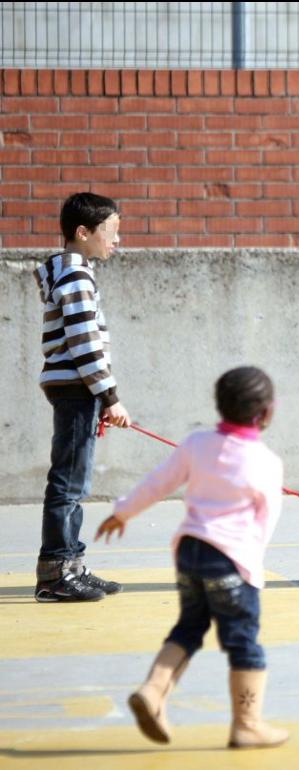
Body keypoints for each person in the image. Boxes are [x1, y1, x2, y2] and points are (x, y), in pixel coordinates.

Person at [95, 367, 288, 749]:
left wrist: (123, 512)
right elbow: (266, 522)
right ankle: (247, 724)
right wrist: (252, 570)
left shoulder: (197, 444)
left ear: (219, 405)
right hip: (232, 560)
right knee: (243, 642)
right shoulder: (266, 461)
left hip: (190, 551)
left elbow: (158, 481)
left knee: (189, 628)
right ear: (267, 412)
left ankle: (153, 690)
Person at [33, 192, 132, 602]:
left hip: (78, 387)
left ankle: (71, 564)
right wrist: (110, 397)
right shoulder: (75, 276)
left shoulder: (75, 272)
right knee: (68, 483)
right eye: (111, 232)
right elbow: (83, 342)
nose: (117, 241)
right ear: (83, 232)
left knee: (75, 480)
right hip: (77, 387)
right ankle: (56, 573)